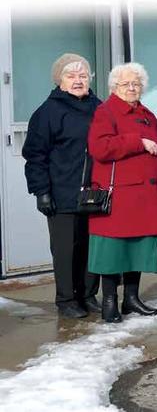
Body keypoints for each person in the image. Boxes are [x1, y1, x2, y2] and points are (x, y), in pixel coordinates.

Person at [87, 62, 157, 323]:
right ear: (114, 86)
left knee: (137, 249)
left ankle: (131, 299)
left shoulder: (146, 112)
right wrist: (138, 141)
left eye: (136, 83)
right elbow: (99, 148)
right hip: (120, 196)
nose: (132, 88)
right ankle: (109, 302)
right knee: (112, 252)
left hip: (144, 196)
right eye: (126, 84)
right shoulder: (106, 111)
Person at [24, 53, 102, 318]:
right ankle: (67, 299)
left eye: (83, 75)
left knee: (92, 246)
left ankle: (89, 295)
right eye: (71, 76)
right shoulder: (47, 112)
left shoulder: (98, 107)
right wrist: (41, 191)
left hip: (95, 193)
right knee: (66, 249)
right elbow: (35, 155)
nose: (78, 80)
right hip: (61, 192)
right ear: (60, 80)